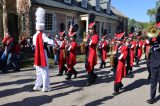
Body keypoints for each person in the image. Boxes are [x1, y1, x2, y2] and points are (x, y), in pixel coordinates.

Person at [33, 7, 55, 92]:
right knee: (45, 71)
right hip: (42, 53)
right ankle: (45, 87)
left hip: (36, 54)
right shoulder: (42, 35)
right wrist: (53, 40)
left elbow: (35, 44)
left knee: (39, 72)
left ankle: (37, 85)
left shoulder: (34, 36)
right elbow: (50, 42)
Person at [146, 8, 160, 103]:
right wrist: (150, 39)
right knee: (154, 79)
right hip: (155, 57)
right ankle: (152, 97)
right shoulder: (155, 27)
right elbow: (147, 42)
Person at [85, 13, 99, 86]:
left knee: (90, 67)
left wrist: (87, 41)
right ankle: (94, 76)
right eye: (89, 29)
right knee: (87, 66)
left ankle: (90, 81)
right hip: (88, 52)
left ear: (94, 29)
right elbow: (87, 43)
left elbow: (94, 43)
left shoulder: (95, 36)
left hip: (92, 53)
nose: (89, 30)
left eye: (91, 29)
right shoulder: (89, 36)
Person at [113, 31, 128, 95]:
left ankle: (116, 90)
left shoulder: (125, 47)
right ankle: (120, 84)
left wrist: (116, 54)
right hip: (115, 63)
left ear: (121, 41)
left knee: (118, 76)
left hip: (120, 63)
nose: (116, 42)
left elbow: (123, 56)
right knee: (115, 75)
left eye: (118, 41)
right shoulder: (116, 46)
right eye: (116, 40)